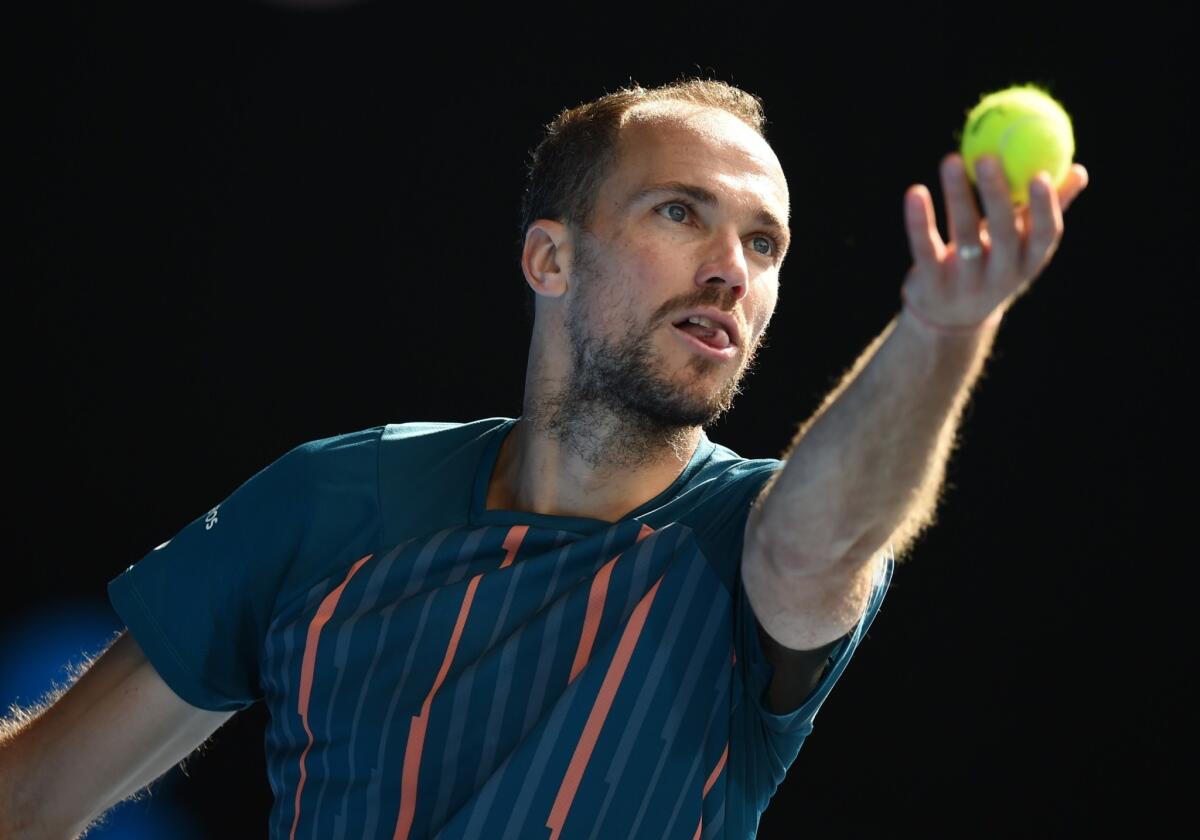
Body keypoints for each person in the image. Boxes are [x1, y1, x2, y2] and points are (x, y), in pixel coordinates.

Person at [0, 77, 1088, 839]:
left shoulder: (749, 538)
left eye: (765, 245)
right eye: (682, 213)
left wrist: (943, 329)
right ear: (550, 257)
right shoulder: (328, 501)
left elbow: (826, 540)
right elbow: (30, 795)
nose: (731, 272)